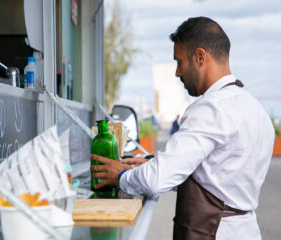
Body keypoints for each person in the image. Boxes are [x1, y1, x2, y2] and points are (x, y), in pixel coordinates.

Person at [90, 16, 275, 240]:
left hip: (212, 232)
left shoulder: (210, 109)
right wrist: (153, 164)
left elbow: (155, 180)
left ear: (200, 57)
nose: (177, 72)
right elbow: (217, 180)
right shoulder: (255, 110)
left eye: (179, 61)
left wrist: (120, 176)